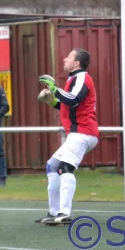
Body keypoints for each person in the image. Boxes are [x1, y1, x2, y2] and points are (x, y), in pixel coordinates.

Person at [35, 48, 99, 225]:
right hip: (79, 133)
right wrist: (51, 101)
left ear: (77, 63)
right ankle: (54, 212)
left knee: (64, 168)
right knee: (52, 166)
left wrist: (53, 87)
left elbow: (72, 99)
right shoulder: (74, 79)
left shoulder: (82, 77)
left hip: (83, 132)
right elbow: (68, 105)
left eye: (69, 57)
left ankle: (64, 213)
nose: (65, 59)